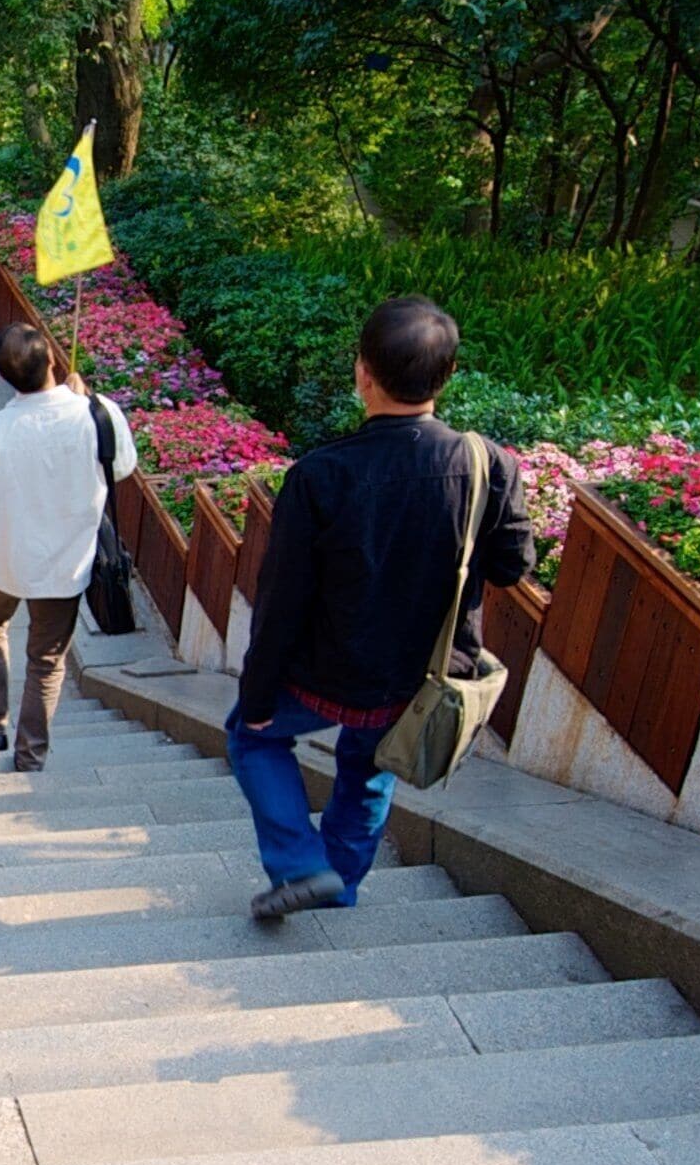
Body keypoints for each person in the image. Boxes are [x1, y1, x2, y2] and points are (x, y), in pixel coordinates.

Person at [227, 295, 534, 919]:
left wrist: (258, 698)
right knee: (368, 769)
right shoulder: (489, 466)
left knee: (250, 739)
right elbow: (511, 566)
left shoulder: (320, 475)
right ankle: (338, 884)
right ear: (448, 375)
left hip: (324, 675)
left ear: (362, 372)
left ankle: (300, 865)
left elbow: (282, 602)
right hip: (420, 678)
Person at [0, 323, 134, 768]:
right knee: (47, 659)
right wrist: (84, 400)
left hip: (2, 559)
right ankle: (30, 753)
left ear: (4, 377)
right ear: (52, 358)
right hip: (65, 563)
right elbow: (123, 467)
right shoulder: (98, 414)